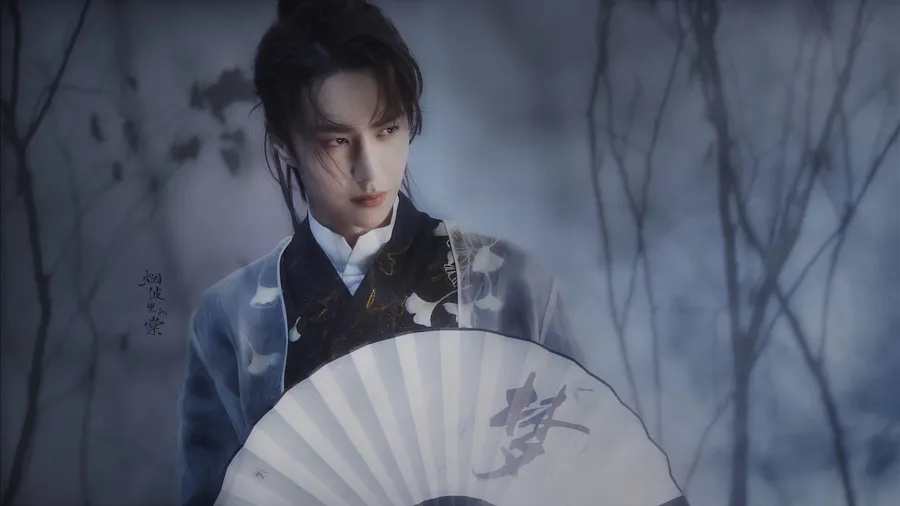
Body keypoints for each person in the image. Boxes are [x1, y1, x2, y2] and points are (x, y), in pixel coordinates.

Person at [175, 0, 586, 504]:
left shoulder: (509, 284)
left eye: (388, 130)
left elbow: (580, 470)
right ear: (283, 142)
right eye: (336, 141)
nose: (370, 170)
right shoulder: (232, 319)